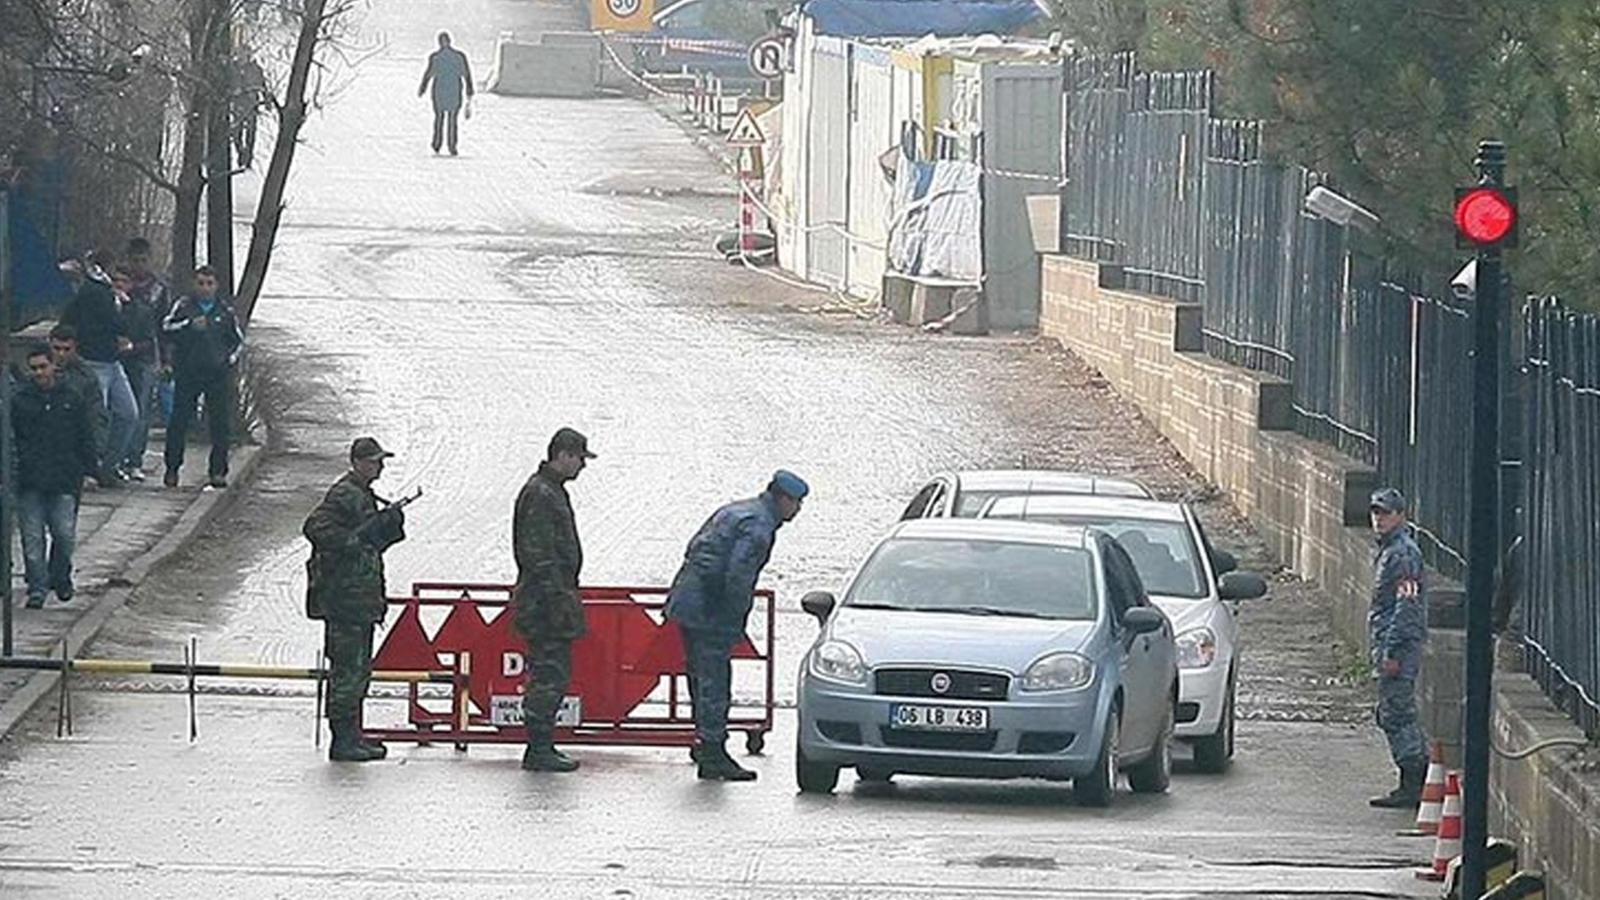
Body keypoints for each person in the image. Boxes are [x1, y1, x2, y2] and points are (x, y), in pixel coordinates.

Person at [665, 470, 808, 781]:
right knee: (715, 679)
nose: (797, 510)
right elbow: (738, 575)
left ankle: (704, 741)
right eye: (796, 503)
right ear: (782, 499)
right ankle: (714, 751)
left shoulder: (736, 509)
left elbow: (694, 547)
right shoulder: (759, 526)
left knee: (699, 676)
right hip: (710, 608)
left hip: (688, 600)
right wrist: (733, 616)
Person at [303, 438, 407, 762]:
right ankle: (343, 739)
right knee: (347, 670)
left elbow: (371, 542)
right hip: (344, 598)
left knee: (358, 669)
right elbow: (315, 528)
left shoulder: (360, 494)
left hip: (358, 597)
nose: (380, 467)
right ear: (358, 462)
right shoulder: (345, 494)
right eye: (374, 461)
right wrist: (351, 541)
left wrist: (387, 524)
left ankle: (353, 733)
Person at [511, 427, 595, 773]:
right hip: (545, 601)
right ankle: (538, 746)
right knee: (548, 673)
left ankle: (543, 743)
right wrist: (556, 596)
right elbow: (537, 553)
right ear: (562, 454)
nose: (582, 466)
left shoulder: (551, 491)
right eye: (579, 458)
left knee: (553, 672)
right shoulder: (541, 494)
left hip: (552, 597)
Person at [11, 345, 98, 608]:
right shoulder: (20, 400)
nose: (39, 373)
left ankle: (60, 576)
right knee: (32, 541)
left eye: (42, 367)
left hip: (63, 479)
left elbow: (85, 436)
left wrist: (90, 471)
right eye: (34, 368)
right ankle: (37, 588)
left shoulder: (72, 398)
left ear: (53, 366)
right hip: (30, 480)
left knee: (64, 535)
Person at [1367, 487, 1429, 809]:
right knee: (1395, 711)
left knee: (1396, 713)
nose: (1379, 519)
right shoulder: (1390, 550)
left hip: (1398, 647)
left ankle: (1413, 781)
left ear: (1400, 515)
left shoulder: (1402, 554)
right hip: (1390, 644)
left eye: (1386, 513)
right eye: (1376, 512)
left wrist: (1392, 651)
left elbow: (1406, 607)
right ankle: (1416, 778)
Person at [58, 253, 139, 482]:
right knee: (97, 417)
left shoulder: (96, 290)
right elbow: (118, 323)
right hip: (95, 359)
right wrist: (122, 306)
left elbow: (69, 316)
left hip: (112, 361)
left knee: (128, 414)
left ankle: (108, 465)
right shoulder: (98, 292)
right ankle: (93, 467)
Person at [162, 266, 244, 489]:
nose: (205, 288)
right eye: (201, 283)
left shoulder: (225, 311)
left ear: (216, 286)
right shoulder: (184, 306)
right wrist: (189, 326)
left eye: (209, 283)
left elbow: (237, 341)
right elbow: (166, 328)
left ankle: (218, 471)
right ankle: (172, 467)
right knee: (179, 421)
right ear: (194, 284)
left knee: (219, 423)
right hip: (188, 372)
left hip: (216, 374)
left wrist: (228, 360)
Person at [47, 324, 111, 486]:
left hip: (72, 448)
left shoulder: (86, 377)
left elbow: (96, 416)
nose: (61, 354)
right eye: (57, 348)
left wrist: (95, 455)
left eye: (66, 349)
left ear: (75, 348)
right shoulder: (36, 371)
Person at [122, 237, 175, 427]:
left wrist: (167, 360)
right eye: (135, 261)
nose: (139, 265)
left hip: (146, 353)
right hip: (118, 352)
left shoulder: (158, 289)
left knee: (141, 407)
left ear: (150, 259)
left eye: (143, 260)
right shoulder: (120, 285)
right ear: (128, 259)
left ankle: (136, 455)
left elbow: (165, 327)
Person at [115, 265, 161, 479]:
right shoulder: (106, 307)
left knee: (139, 413)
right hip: (113, 362)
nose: (118, 286)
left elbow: (149, 341)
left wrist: (132, 347)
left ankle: (134, 460)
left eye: (123, 281)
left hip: (138, 363)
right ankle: (115, 458)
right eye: (115, 281)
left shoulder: (142, 310)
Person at [417, 32, 474, 156]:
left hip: (439, 91)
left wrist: (423, 88)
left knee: (439, 118)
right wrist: (469, 90)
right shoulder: (459, 57)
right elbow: (467, 74)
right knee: (453, 120)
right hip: (454, 90)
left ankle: (437, 144)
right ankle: (452, 146)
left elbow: (428, 74)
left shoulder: (435, 57)